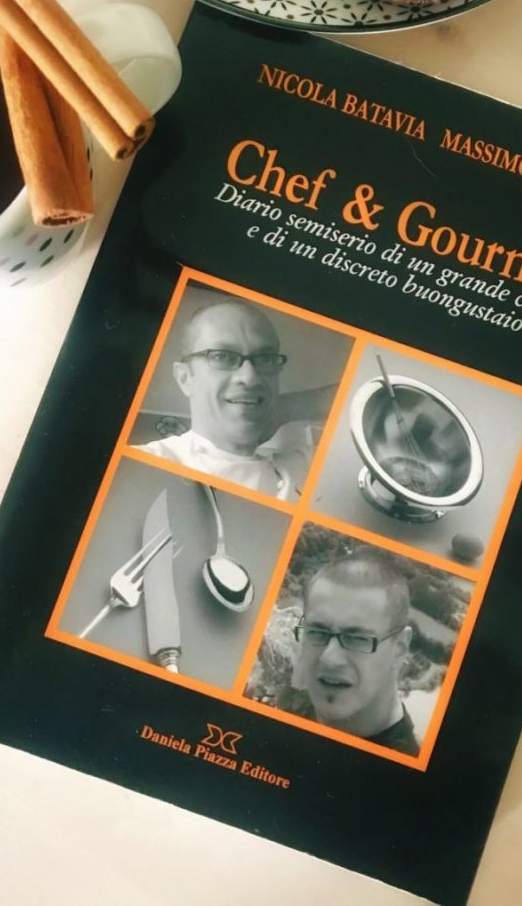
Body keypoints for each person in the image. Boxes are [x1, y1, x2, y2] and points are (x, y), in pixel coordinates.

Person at [137, 297, 331, 501]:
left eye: (265, 358)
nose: (250, 378)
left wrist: (283, 408)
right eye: (222, 356)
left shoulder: (308, 468)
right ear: (184, 378)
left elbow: (353, 396)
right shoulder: (145, 465)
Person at [292, 551, 419, 756]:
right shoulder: (289, 705)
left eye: (357, 638)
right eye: (317, 632)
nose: (329, 658)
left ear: (399, 649)